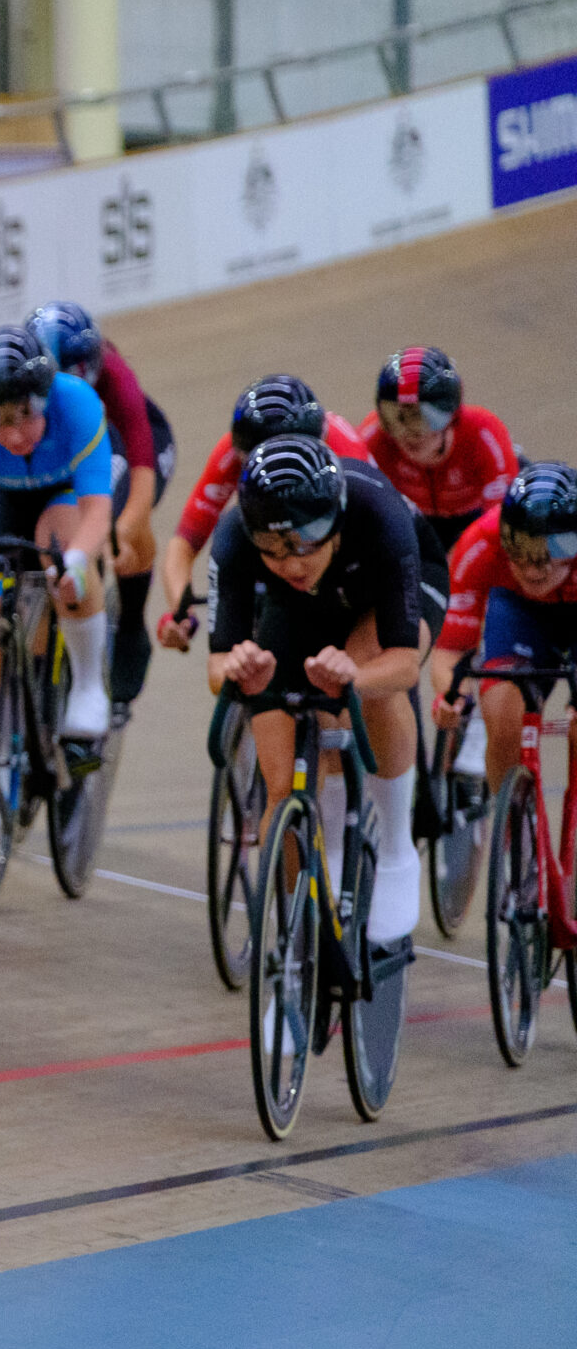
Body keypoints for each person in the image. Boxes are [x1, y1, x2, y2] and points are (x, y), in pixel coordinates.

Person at [207, 435, 424, 948]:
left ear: (337, 519)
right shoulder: (234, 536)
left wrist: (356, 680)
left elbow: (406, 663)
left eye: (307, 540)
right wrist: (238, 668)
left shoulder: (380, 516)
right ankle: (293, 943)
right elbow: (217, 666)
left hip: (374, 599)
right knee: (281, 788)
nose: (291, 562)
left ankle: (396, 849)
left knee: (366, 676)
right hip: (298, 609)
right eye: (273, 548)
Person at [0, 324, 114, 743]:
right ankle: (3, 744)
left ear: (45, 398)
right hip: (1, 500)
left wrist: (78, 563)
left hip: (62, 494)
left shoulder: (77, 402)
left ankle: (88, 686)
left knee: (62, 549)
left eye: (24, 414)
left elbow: (97, 512)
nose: (12, 434)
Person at [27, 301, 173, 714]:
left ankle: (130, 623)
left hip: (127, 445)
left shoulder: (115, 377)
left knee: (123, 523)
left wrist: (120, 529)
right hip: (68, 445)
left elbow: (141, 473)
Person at [157, 373, 370, 648]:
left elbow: (370, 547)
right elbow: (185, 541)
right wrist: (181, 611)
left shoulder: (346, 457)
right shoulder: (233, 450)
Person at [431, 462, 577, 792]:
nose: (532, 570)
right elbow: (451, 648)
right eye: (519, 551)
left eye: (548, 553)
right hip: (520, 610)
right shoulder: (480, 542)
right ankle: (509, 818)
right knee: (501, 719)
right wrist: (452, 697)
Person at [363, 345, 518, 555]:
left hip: (475, 515)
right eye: (396, 418)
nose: (410, 433)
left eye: (424, 417)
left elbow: (501, 518)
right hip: (418, 519)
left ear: (452, 414)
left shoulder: (483, 432)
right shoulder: (373, 437)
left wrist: (467, 549)